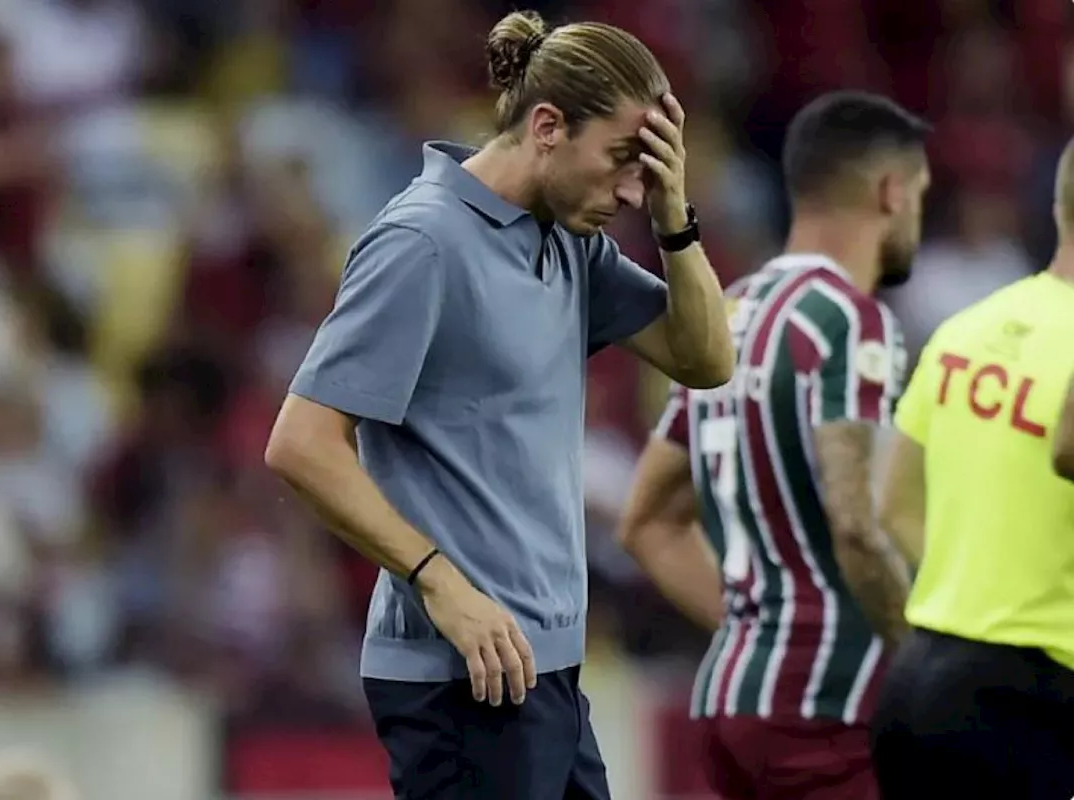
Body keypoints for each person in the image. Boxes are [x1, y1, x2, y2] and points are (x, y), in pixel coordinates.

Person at [264, 8, 734, 799]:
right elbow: (301, 443)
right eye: (622, 160)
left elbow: (706, 359)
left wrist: (672, 216)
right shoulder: (424, 241)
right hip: (461, 680)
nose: (628, 190)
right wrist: (442, 584)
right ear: (547, 125)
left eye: (645, 169)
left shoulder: (568, 239)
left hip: (543, 671)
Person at [616, 91, 930, 800]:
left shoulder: (725, 316)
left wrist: (759, 627)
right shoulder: (848, 320)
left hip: (732, 696)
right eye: (920, 194)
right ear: (890, 190)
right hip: (830, 712)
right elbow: (855, 519)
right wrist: (923, 667)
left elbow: (649, 522)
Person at [869, 140, 1074, 800]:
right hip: (1033, 701)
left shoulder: (966, 330)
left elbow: (894, 504)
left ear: (1057, 207)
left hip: (921, 683)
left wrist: (979, 596)